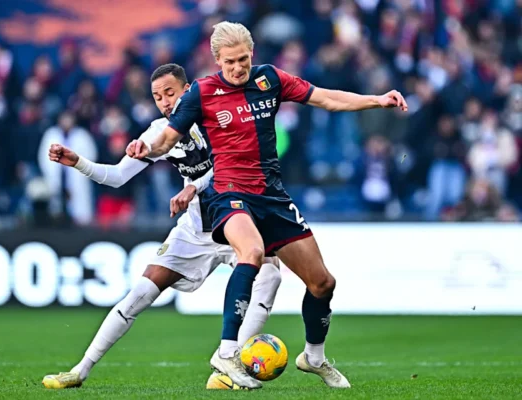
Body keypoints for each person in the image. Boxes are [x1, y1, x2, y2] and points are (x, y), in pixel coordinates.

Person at [127, 21, 409, 390]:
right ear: (217, 60)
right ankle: (227, 352)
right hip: (228, 191)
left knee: (322, 283)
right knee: (252, 252)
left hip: (271, 195)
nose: (238, 68)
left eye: (243, 59)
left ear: (252, 54)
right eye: (230, 62)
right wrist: (147, 148)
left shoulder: (269, 79)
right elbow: (167, 139)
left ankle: (314, 357)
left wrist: (376, 99)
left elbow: (325, 98)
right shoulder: (202, 92)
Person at [42, 64, 282, 389]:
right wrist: (79, 163)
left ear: (188, 90)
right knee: (141, 292)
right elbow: (117, 176)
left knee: (270, 274)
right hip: (195, 228)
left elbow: (230, 162)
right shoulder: (158, 132)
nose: (165, 102)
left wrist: (193, 186)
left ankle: (230, 367)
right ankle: (80, 370)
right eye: (157, 97)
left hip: (236, 220)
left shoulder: (218, 118)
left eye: (170, 93)